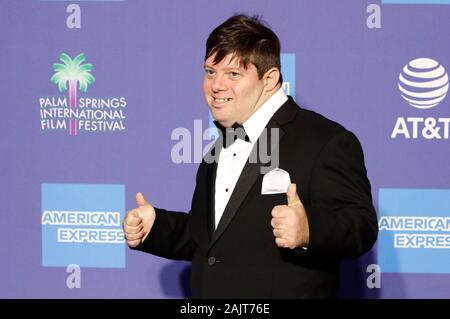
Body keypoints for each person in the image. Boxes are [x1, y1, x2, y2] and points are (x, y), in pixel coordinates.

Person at [123, 14, 378, 298]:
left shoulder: (325, 140)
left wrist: (310, 230)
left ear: (269, 79)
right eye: (210, 72)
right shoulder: (219, 147)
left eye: (233, 74)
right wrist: (155, 226)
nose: (216, 86)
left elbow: (361, 226)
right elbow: (212, 240)